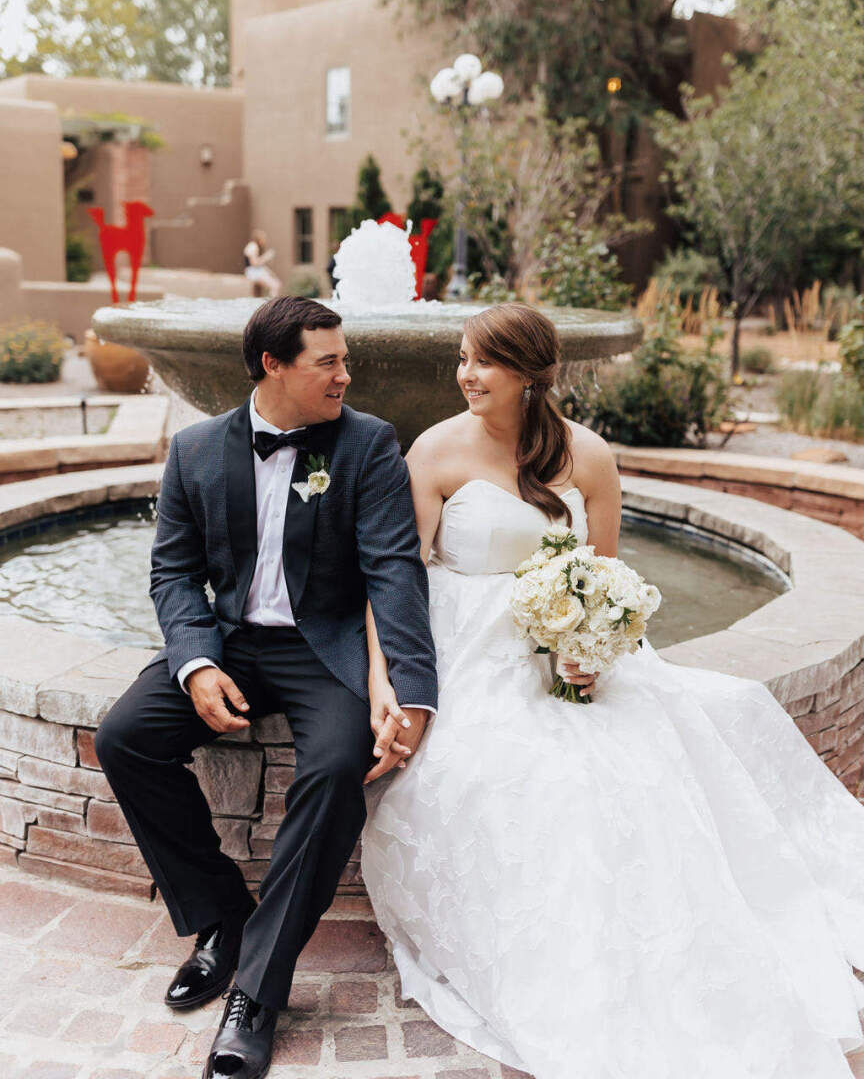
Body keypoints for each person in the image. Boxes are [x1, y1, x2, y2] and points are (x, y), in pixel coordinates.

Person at [361, 302, 864, 1079]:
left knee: (657, 756)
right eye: (462, 357)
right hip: (465, 652)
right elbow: (392, 579)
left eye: (483, 361)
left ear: (529, 374)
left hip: (564, 653)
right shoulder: (433, 450)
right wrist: (389, 678)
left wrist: (590, 647)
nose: (465, 374)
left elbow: (601, 581)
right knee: (508, 778)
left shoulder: (588, 456)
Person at [94, 296, 437, 1079]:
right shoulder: (195, 451)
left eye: (345, 360)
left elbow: (393, 570)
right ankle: (220, 916)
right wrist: (195, 661)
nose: (346, 374)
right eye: (329, 362)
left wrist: (411, 689)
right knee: (124, 738)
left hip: (325, 648)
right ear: (272, 366)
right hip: (231, 645)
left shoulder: (369, 445)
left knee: (336, 767)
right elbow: (174, 573)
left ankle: (256, 989)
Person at [243, 230, 280, 299]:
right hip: (253, 272)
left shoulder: (252, 246)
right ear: (259, 239)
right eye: (264, 239)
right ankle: (272, 305)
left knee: (275, 284)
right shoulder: (253, 246)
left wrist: (269, 272)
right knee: (275, 285)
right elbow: (254, 263)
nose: (265, 241)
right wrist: (267, 256)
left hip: (254, 271)